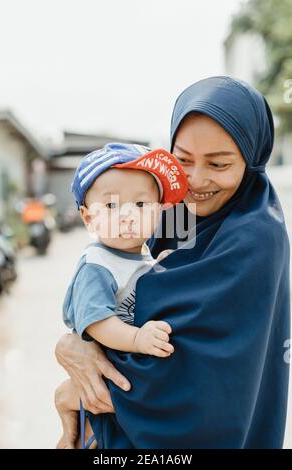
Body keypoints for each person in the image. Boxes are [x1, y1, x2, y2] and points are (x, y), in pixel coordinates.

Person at [55, 76, 290, 449]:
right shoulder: (171, 211)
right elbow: (114, 290)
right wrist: (76, 342)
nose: (196, 180)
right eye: (183, 160)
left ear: (252, 158)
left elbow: (205, 378)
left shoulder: (254, 237)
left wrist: (77, 392)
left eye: (219, 164)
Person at [56, 143, 188, 448]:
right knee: (95, 439)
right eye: (112, 206)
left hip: (123, 379)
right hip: (101, 381)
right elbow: (97, 323)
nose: (127, 216)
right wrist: (138, 339)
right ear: (88, 218)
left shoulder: (142, 259)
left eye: (141, 206)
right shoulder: (97, 266)